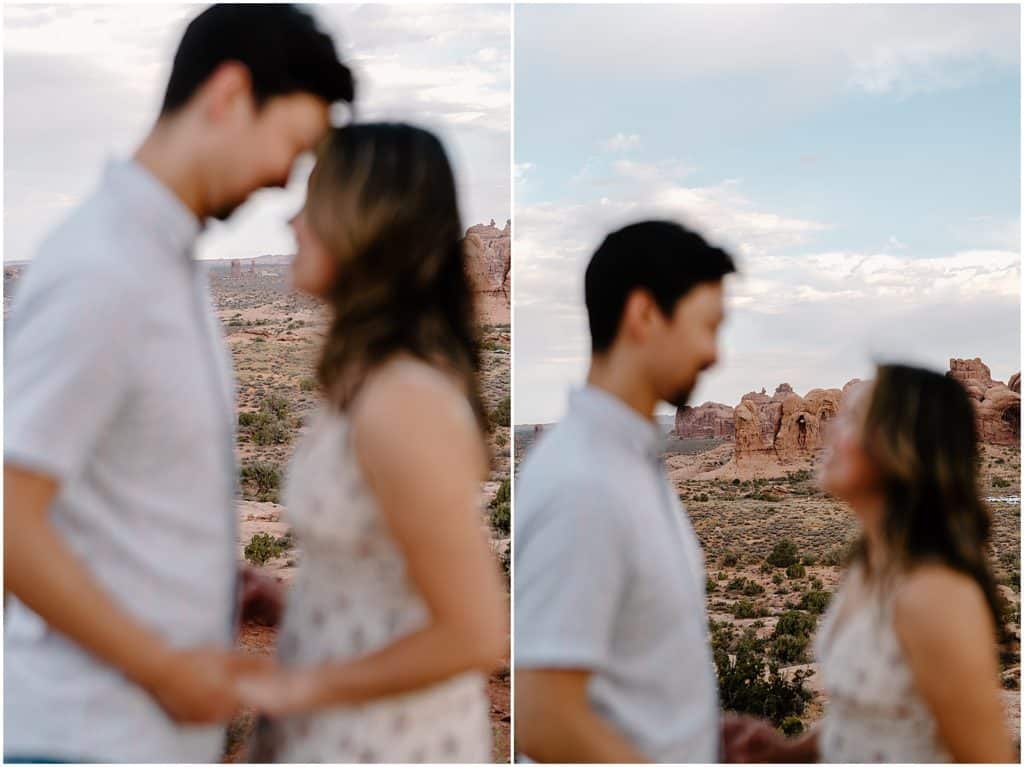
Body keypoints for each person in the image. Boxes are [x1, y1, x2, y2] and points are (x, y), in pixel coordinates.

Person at [3, 5, 353, 762]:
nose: (285, 176)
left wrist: (207, 573)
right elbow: (10, 515)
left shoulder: (165, 265)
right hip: (85, 737)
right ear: (227, 96)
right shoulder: (105, 268)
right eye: (291, 144)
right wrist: (163, 665)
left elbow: (113, 489)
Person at [232, 123, 509, 763]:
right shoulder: (366, 381)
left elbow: (473, 632)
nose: (293, 222)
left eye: (315, 202)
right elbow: (389, 578)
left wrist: (305, 686)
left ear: (367, 223)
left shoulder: (405, 397)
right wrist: (298, 607)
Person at [514, 220, 737, 762]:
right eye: (707, 326)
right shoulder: (585, 483)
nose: (715, 354)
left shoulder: (625, 465)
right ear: (643, 314)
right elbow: (542, 716)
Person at [727, 365, 1016, 763]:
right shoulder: (872, 566)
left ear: (900, 449)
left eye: (852, 422)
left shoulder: (937, 596)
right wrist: (787, 752)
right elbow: (872, 717)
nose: (829, 433)